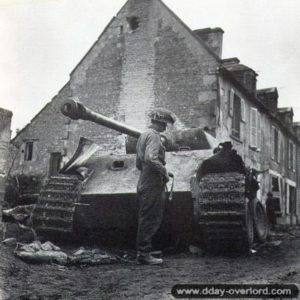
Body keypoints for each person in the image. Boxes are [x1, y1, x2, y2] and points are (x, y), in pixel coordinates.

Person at [135, 108, 175, 265]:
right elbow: (151, 159)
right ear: (160, 123)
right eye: (164, 124)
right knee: (150, 218)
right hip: (152, 183)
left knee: (146, 217)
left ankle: (145, 250)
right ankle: (144, 254)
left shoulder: (144, 135)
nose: (165, 128)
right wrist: (163, 172)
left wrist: (161, 172)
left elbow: (140, 162)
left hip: (145, 180)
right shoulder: (155, 136)